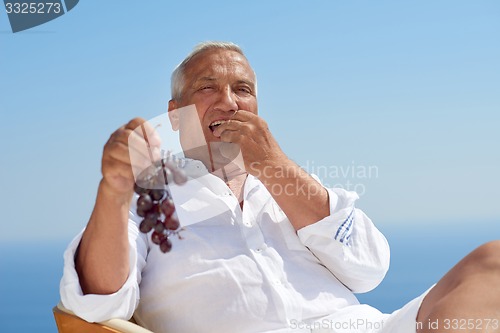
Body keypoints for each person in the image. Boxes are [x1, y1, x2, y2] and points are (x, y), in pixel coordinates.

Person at [60, 41, 500, 333]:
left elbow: (369, 269)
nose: (229, 101)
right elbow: (97, 308)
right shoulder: (145, 204)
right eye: (207, 87)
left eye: (242, 89)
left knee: (493, 262)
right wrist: (113, 193)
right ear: (174, 116)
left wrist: (273, 165)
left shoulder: (288, 183)